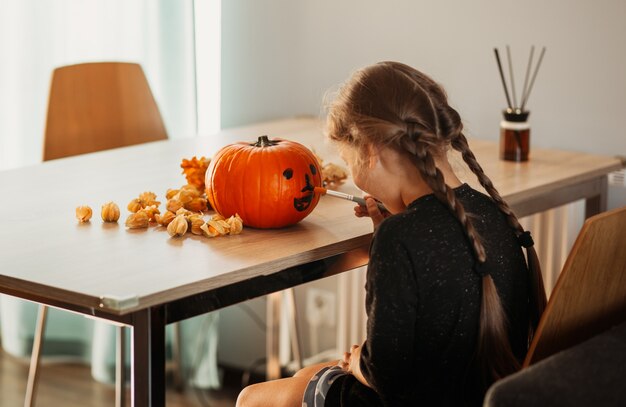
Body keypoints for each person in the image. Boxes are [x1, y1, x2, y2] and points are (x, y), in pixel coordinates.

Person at [236, 61, 547, 407]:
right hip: (477, 394)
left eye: (347, 158)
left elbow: (384, 374)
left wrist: (356, 362)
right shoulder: (494, 213)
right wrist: (392, 230)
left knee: (253, 398)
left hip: (405, 398)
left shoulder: (400, 238)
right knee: (302, 378)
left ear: (369, 151)